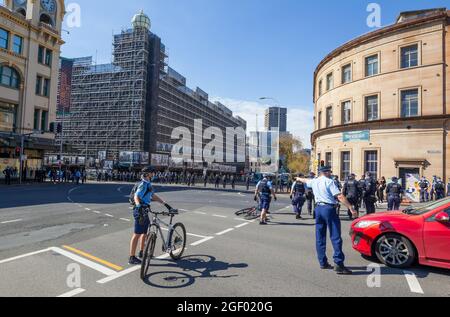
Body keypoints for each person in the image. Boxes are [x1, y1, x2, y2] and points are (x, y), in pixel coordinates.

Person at [296, 167, 357, 275]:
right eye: (329, 172)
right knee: (335, 236)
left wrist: (298, 178)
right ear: (325, 172)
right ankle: (338, 263)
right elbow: (340, 196)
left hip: (318, 209)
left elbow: (306, 180)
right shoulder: (329, 182)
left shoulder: (314, 181)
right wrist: (351, 208)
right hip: (329, 209)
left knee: (320, 236)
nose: (330, 174)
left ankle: (322, 262)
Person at [129, 166, 175, 265]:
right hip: (140, 210)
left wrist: (165, 204)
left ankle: (142, 252)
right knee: (137, 234)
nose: (153, 174)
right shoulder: (143, 184)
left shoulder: (148, 184)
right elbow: (136, 196)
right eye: (152, 173)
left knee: (144, 233)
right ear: (148, 174)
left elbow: (152, 195)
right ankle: (132, 257)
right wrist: (138, 206)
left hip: (145, 209)